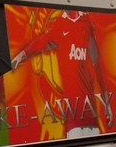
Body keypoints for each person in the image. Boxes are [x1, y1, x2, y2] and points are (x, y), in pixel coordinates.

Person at [10, 10, 109, 138]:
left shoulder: (86, 21)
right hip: (74, 121)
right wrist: (21, 56)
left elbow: (97, 62)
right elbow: (41, 41)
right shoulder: (60, 24)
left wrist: (107, 103)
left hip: (92, 118)